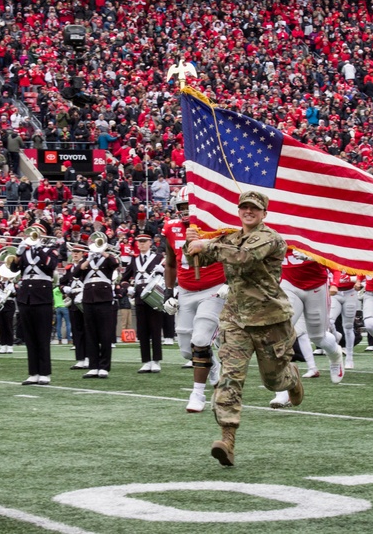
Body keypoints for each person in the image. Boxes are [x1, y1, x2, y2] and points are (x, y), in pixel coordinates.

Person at [186, 190, 304, 467]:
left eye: (254, 208)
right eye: (244, 207)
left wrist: (207, 246)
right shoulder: (229, 237)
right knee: (230, 378)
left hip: (270, 321)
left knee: (273, 381)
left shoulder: (271, 239)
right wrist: (191, 245)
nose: (248, 211)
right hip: (236, 321)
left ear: (264, 213)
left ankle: (291, 377)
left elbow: (244, 257)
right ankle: (227, 440)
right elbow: (201, 259)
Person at [163, 186, 227, 413]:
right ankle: (213, 364)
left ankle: (197, 394)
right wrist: (168, 292)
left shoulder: (215, 228)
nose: (185, 212)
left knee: (200, 339)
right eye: (181, 208)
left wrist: (229, 284)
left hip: (213, 289)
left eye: (189, 207)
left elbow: (231, 255)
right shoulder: (170, 228)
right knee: (186, 350)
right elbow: (170, 263)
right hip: (186, 291)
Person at [271, 247, 345, 406]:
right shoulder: (276, 233)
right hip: (289, 285)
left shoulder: (310, 229)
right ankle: (282, 392)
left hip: (316, 287)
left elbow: (334, 260)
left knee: (318, 337)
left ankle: (335, 354)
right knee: (279, 334)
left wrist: (316, 256)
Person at [7, 223, 59, 385]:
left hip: (42, 296)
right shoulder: (25, 251)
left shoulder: (50, 250)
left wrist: (39, 250)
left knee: (42, 336)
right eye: (32, 232)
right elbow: (14, 269)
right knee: (29, 336)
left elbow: (51, 265)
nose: (33, 235)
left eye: (38, 232)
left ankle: (44, 372)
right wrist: (18, 253)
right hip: (26, 297)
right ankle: (33, 372)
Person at [75, 231, 121, 378]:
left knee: (105, 334)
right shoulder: (86, 260)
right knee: (91, 334)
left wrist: (103, 252)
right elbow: (75, 273)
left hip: (104, 299)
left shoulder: (107, 260)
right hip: (89, 299)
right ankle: (93, 365)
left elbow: (115, 264)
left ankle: (104, 366)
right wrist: (89, 258)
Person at [124, 231, 165, 373]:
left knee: (155, 330)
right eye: (139, 241)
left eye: (144, 241)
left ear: (150, 243)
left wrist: (163, 270)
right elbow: (124, 278)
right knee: (142, 332)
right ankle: (146, 361)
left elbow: (170, 273)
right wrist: (127, 287)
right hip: (140, 298)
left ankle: (156, 361)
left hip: (154, 298)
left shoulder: (158, 258)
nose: (141, 244)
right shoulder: (134, 260)